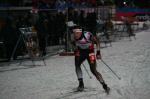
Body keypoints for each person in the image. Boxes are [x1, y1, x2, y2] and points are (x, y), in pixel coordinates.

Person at [72, 26, 110, 94]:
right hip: (81, 52)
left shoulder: (88, 35)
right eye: (74, 33)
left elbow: (97, 42)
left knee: (93, 70)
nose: (75, 35)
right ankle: (81, 83)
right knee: (77, 65)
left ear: (81, 32)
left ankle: (104, 85)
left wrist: (98, 52)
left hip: (90, 52)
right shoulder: (73, 37)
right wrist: (75, 50)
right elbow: (73, 44)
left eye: (77, 33)